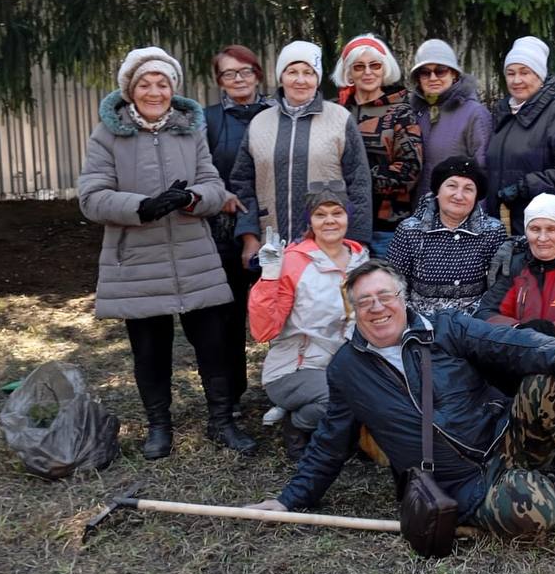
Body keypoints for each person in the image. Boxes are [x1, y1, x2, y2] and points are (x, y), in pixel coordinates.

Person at [248, 260, 555, 561]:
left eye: (385, 296)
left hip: (506, 441)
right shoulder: (346, 371)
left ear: (403, 299)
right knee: (531, 514)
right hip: (458, 485)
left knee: (550, 386)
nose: (377, 307)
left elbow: (513, 343)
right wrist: (288, 500)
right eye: (364, 301)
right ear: (353, 311)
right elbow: (330, 444)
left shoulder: (447, 327)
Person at [78, 46, 258, 460]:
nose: (154, 91)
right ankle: (159, 426)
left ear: (173, 88)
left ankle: (221, 421)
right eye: (145, 83)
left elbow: (215, 185)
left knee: (213, 343)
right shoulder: (108, 134)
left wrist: (192, 197)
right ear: (130, 89)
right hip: (138, 259)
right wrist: (139, 207)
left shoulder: (188, 129)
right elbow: (90, 197)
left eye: (162, 83)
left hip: (193, 254)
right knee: (150, 348)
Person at [248, 181, 369, 461]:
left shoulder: (361, 260)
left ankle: (343, 431)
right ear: (310, 221)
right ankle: (298, 424)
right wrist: (269, 276)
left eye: (337, 213)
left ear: (348, 217)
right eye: (320, 214)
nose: (330, 221)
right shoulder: (293, 262)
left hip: (344, 364)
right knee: (343, 399)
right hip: (296, 368)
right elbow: (264, 330)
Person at [229, 39, 373, 261]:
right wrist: (249, 237)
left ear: (318, 78)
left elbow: (359, 183)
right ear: (281, 77)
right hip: (271, 243)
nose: (300, 80)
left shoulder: (340, 119)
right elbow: (242, 185)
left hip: (329, 245)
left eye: (309, 72)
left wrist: (357, 241)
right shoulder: (259, 123)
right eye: (292, 71)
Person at [203, 44, 273, 407]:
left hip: (276, 227)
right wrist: (219, 193)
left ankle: (283, 388)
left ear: (258, 74)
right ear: (220, 81)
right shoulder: (208, 119)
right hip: (224, 232)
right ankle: (229, 395)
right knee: (226, 318)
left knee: (281, 311)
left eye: (245, 71)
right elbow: (195, 168)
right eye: (229, 73)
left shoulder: (277, 113)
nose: (239, 79)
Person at [475, 193, 555, 353]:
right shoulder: (516, 264)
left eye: (552, 229)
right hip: (517, 353)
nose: (542, 238)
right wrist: (517, 329)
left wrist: (547, 331)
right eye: (534, 229)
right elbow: (485, 313)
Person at [486, 36, 555, 234]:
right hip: (507, 224)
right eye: (510, 73)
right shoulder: (504, 113)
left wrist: (524, 187)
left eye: (525, 72)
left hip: (546, 228)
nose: (517, 80)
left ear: (540, 76)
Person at [334, 33, 424, 258]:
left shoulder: (399, 111)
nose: (367, 72)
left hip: (385, 227)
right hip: (339, 224)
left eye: (374, 65)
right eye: (359, 67)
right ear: (349, 72)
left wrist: (358, 181)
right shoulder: (337, 112)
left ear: (384, 69)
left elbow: (409, 169)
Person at [387, 156, 506, 316]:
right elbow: (394, 284)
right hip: (422, 324)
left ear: (476, 196)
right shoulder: (410, 229)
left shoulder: (492, 231)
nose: (459, 195)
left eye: (468, 189)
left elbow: (497, 287)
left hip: (474, 324)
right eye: (452, 186)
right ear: (437, 191)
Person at [408, 38, 492, 204]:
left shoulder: (474, 113)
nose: (433, 77)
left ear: (454, 74)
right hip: (422, 213)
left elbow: (483, 171)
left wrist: (477, 221)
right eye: (425, 72)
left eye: (440, 71)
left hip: (460, 212)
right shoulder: (415, 113)